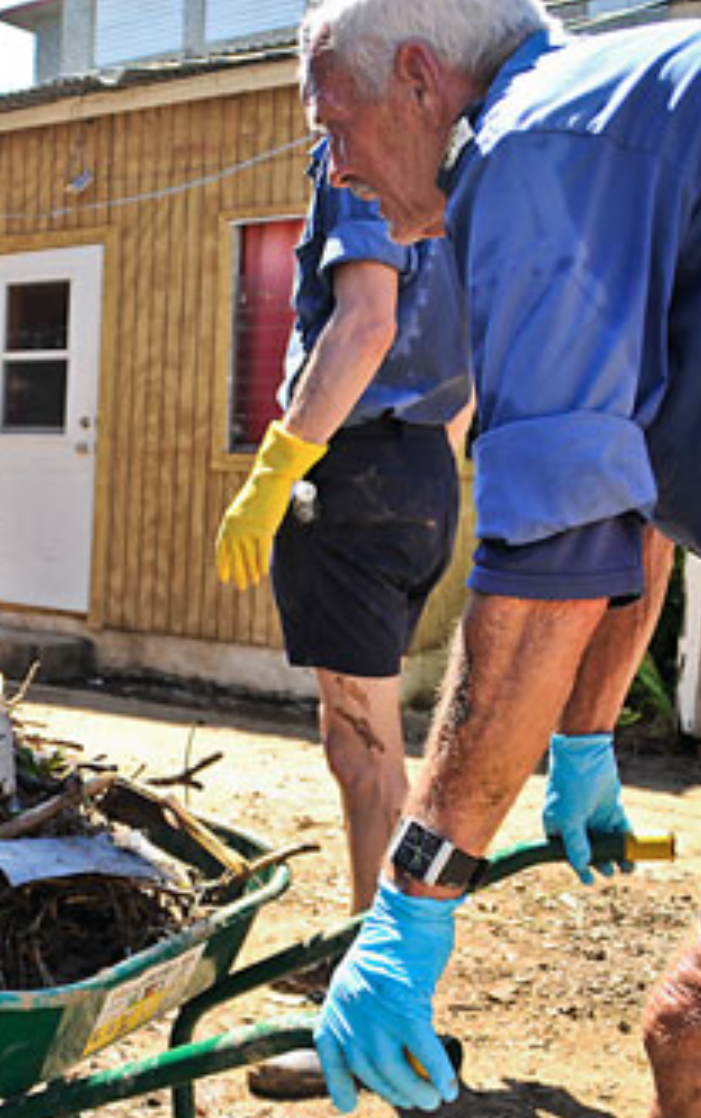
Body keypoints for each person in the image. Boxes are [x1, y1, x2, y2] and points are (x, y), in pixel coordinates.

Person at [296, 4, 701, 1118]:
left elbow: (548, 567)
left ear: (421, 81)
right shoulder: (617, 113)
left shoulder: (535, 147)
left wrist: (414, 902)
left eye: (337, 125)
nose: (336, 169)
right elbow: (627, 507)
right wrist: (584, 738)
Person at [218, 141, 474, 921]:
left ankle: (374, 966)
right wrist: (425, 466)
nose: (320, 119)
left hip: (351, 467)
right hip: (425, 465)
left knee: (363, 750)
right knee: (379, 739)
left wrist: (274, 474)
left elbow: (365, 323)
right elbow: (470, 352)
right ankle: (383, 944)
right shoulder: (464, 167)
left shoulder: (364, 150)